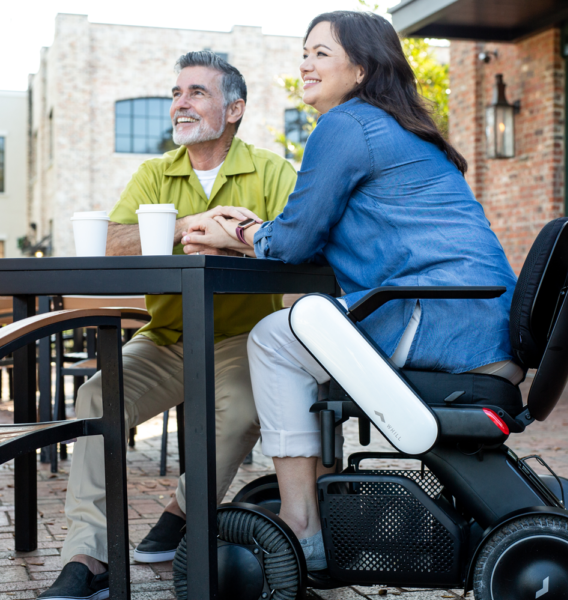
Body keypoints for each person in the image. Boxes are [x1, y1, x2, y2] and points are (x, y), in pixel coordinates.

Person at [181, 12, 523, 571]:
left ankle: (302, 523)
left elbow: (291, 243)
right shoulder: (396, 126)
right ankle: (318, 490)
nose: (305, 63)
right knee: (308, 337)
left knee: (273, 338)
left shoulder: (346, 126)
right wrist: (250, 236)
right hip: (472, 321)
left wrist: (235, 231)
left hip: (438, 320)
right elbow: (313, 238)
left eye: (321, 53)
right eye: (305, 52)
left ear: (362, 68)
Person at [40, 51, 297, 600]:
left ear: (234, 109)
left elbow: (298, 246)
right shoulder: (154, 173)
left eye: (196, 93)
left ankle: (183, 507)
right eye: (176, 93)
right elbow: (109, 243)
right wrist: (185, 226)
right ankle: (88, 553)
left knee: (246, 410)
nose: (180, 103)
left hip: (240, 339)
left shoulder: (273, 170)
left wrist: (243, 239)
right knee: (95, 397)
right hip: (164, 339)